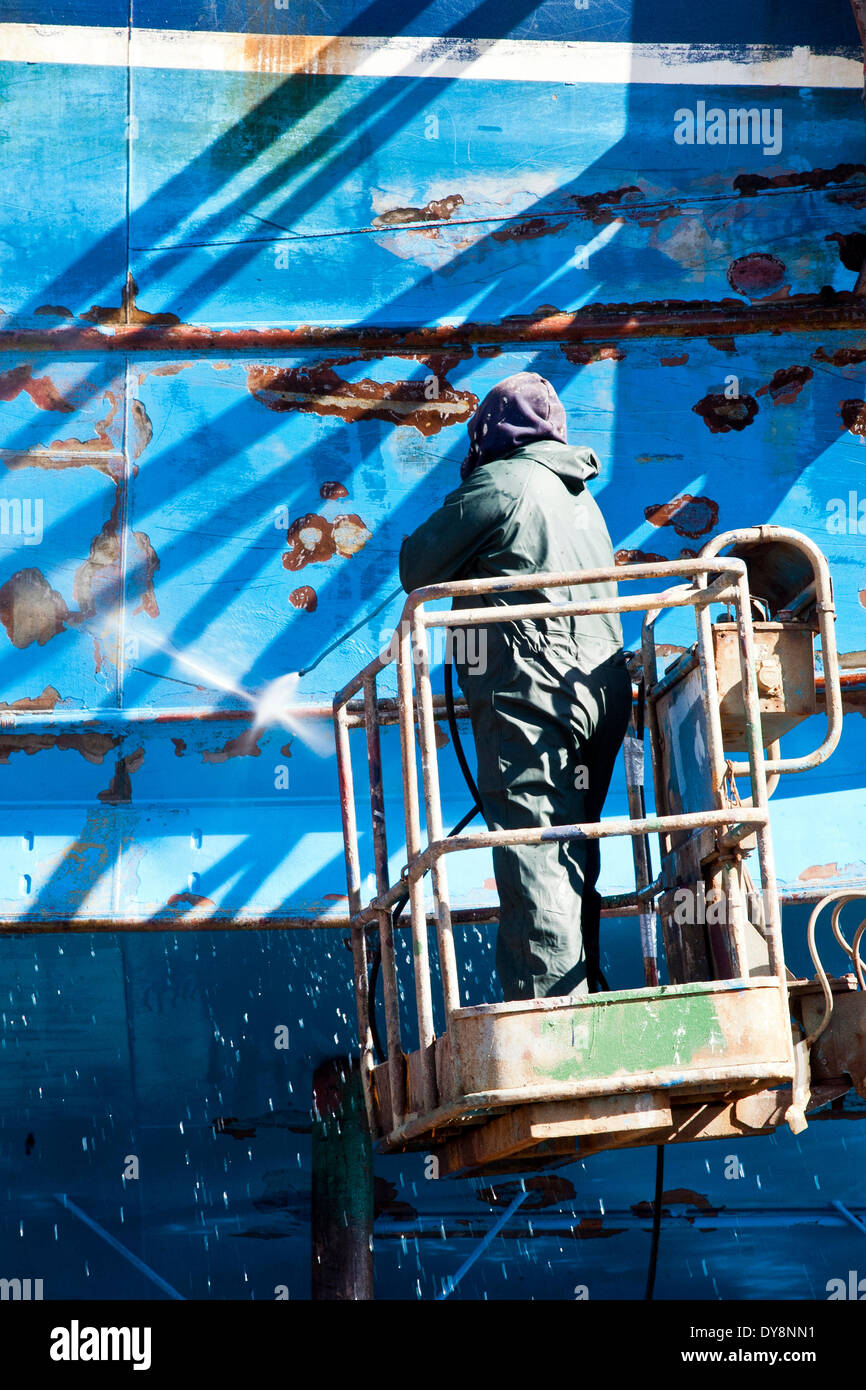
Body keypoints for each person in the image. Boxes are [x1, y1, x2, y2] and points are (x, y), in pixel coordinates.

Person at [399, 371, 631, 1001]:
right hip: (602, 688)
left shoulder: (501, 480)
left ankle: (551, 1024)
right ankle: (584, 996)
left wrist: (470, 488)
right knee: (573, 849)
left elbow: (416, 566)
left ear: (490, 435)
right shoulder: (582, 496)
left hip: (534, 692)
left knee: (534, 851)